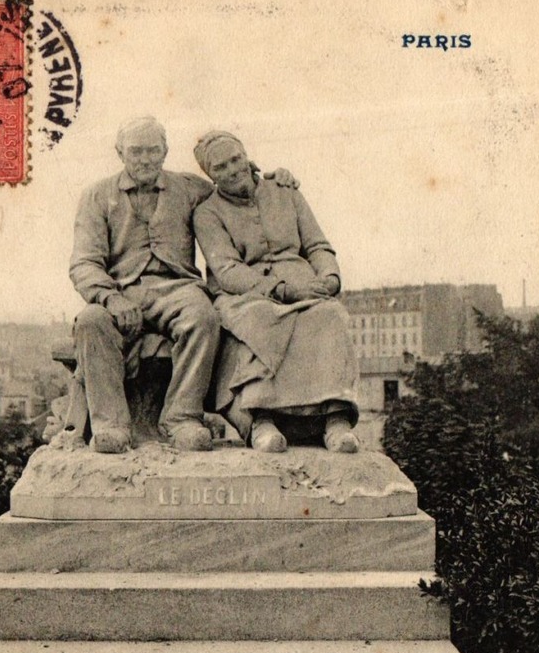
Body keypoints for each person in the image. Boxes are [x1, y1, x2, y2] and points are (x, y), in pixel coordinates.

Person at [69, 117, 298, 453]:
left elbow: (231, 184)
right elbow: (84, 262)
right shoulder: (96, 197)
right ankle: (112, 426)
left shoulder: (190, 188)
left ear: (165, 151)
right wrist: (109, 298)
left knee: (203, 317)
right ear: (120, 153)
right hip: (120, 293)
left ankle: (181, 417)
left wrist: (270, 178)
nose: (145, 159)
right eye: (136, 151)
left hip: (178, 289)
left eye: (153, 150)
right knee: (90, 321)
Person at [193, 130, 360, 453]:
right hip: (245, 293)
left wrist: (329, 278)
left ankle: (335, 420)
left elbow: (317, 244)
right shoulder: (207, 213)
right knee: (260, 318)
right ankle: (262, 421)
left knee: (330, 314)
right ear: (210, 175)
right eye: (220, 167)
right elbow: (227, 270)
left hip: (306, 285)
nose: (232, 170)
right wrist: (282, 290)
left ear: (246, 155)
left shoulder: (285, 191)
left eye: (235, 159)